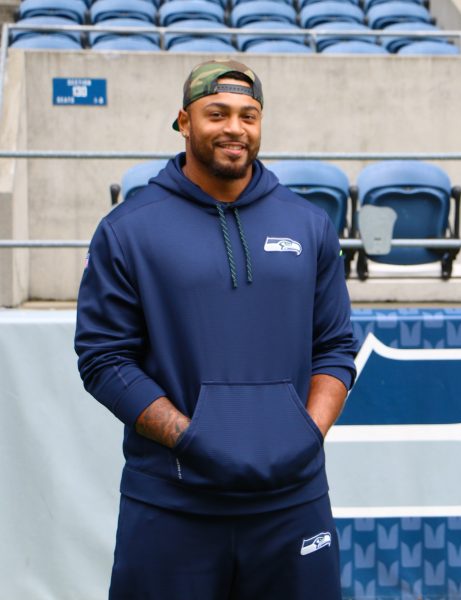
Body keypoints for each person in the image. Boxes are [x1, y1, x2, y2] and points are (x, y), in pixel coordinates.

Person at [74, 59, 357, 600]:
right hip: (173, 500)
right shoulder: (128, 230)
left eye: (249, 115)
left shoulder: (308, 224)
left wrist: (306, 434)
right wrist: (191, 439)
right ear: (184, 121)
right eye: (217, 113)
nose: (235, 128)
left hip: (291, 503)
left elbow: (335, 347)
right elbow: (104, 359)